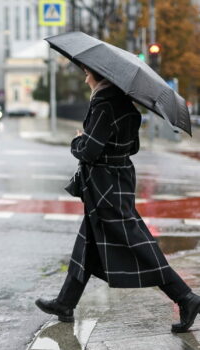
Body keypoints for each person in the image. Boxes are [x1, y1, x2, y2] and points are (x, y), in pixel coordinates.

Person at [35, 66, 200, 333]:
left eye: (88, 74)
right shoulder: (127, 106)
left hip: (104, 187)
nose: (85, 77)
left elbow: (89, 151)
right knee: (88, 242)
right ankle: (65, 302)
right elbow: (132, 147)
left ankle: (186, 297)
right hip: (118, 182)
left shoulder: (103, 105)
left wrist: (77, 141)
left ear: (100, 77)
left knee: (137, 244)